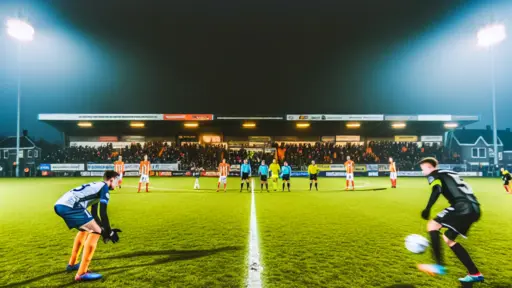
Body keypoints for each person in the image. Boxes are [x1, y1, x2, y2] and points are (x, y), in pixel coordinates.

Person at [417, 157, 483, 284]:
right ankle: (474, 273)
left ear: (430, 167)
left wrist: (427, 208)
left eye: (423, 169)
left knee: (432, 225)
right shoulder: (449, 172)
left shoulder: (434, 175)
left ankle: (438, 265)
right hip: (475, 208)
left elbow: (437, 189)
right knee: (448, 238)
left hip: (462, 207)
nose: (423, 172)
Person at [54, 171, 122, 281]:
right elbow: (103, 213)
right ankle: (81, 273)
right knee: (95, 231)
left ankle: (72, 263)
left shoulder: (98, 186)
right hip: (72, 206)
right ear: (111, 179)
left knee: (84, 229)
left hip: (61, 205)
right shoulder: (104, 188)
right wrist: (108, 232)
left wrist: (105, 230)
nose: (118, 184)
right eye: (117, 181)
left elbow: (94, 214)